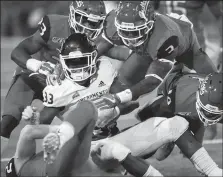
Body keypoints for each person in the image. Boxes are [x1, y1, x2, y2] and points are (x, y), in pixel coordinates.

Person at [92, 1, 218, 140]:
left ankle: (203, 127)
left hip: (184, 45)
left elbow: (152, 81)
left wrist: (119, 98)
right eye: (125, 31)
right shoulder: (112, 22)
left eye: (135, 31)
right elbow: (94, 52)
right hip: (147, 48)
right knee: (118, 86)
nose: (130, 38)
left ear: (150, 25)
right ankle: (106, 128)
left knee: (215, 87)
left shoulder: (165, 36)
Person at [1, 0, 107, 154]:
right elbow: (18, 52)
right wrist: (38, 66)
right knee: (8, 122)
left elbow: (117, 55)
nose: (89, 27)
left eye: (94, 22)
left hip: (64, 85)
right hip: (34, 77)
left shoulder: (100, 40)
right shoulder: (55, 25)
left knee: (89, 130)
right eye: (85, 19)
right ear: (73, 14)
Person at [90, 66, 223, 177]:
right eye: (206, 111)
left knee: (191, 148)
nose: (208, 116)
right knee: (158, 147)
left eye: (212, 113)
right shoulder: (182, 97)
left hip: (191, 104)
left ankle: (212, 171)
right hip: (172, 96)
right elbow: (144, 111)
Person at [155, 0, 223, 139]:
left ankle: (206, 136)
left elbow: (220, 14)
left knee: (209, 92)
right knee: (164, 93)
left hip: (193, 47)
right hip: (164, 45)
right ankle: (171, 137)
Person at [5, 100, 99, 177]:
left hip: (67, 168)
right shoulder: (20, 165)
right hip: (58, 168)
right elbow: (28, 132)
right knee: (87, 107)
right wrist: (61, 131)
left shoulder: (22, 167)